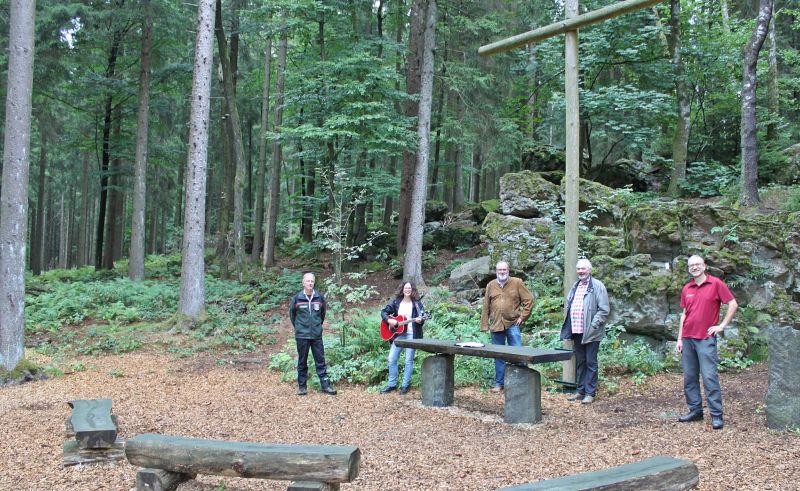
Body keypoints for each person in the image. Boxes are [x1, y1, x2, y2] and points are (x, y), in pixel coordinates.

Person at [676, 255, 737, 430]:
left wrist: (722, 325)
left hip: (705, 338)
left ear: (705, 266)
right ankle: (695, 411)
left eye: (697, 264)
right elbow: (684, 314)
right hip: (688, 339)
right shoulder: (687, 288)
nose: (694, 267)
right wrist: (679, 338)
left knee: (709, 377)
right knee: (689, 377)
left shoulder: (716, 284)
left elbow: (732, 303)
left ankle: (716, 415)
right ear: (689, 269)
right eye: (691, 265)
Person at [560, 258, 610, 405]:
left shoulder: (597, 286)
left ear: (589, 270)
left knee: (591, 362)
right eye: (579, 269)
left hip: (592, 332)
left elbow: (604, 309)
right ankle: (581, 391)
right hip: (577, 331)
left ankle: (590, 393)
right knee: (581, 362)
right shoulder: (575, 286)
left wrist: (594, 325)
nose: (581, 271)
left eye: (583, 269)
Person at [480, 261, 534, 392]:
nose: (502, 272)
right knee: (498, 355)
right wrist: (484, 324)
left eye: (504, 269)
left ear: (508, 270)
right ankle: (500, 383)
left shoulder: (517, 282)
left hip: (512, 323)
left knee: (518, 353)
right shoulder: (491, 285)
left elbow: (529, 300)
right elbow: (486, 305)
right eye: (499, 270)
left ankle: (521, 383)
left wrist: (522, 317)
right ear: (496, 271)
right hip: (496, 324)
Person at [289, 272, 337, 396]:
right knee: (302, 361)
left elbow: (322, 315)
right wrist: (300, 328)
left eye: (312, 281)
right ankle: (302, 387)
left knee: (320, 360)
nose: (310, 283)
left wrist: (316, 327)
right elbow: (292, 316)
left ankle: (326, 386)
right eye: (308, 281)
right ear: (303, 283)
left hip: (316, 335)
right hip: (302, 336)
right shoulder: (297, 298)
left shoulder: (319, 298)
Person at [380, 281, 427, 395]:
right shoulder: (396, 302)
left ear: (412, 290)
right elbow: (384, 312)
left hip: (412, 334)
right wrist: (389, 320)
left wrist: (421, 320)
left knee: (408, 360)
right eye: (406, 288)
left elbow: (422, 318)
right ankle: (392, 384)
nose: (407, 290)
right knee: (391, 359)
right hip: (398, 334)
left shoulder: (417, 304)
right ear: (402, 289)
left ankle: (405, 385)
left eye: (409, 288)